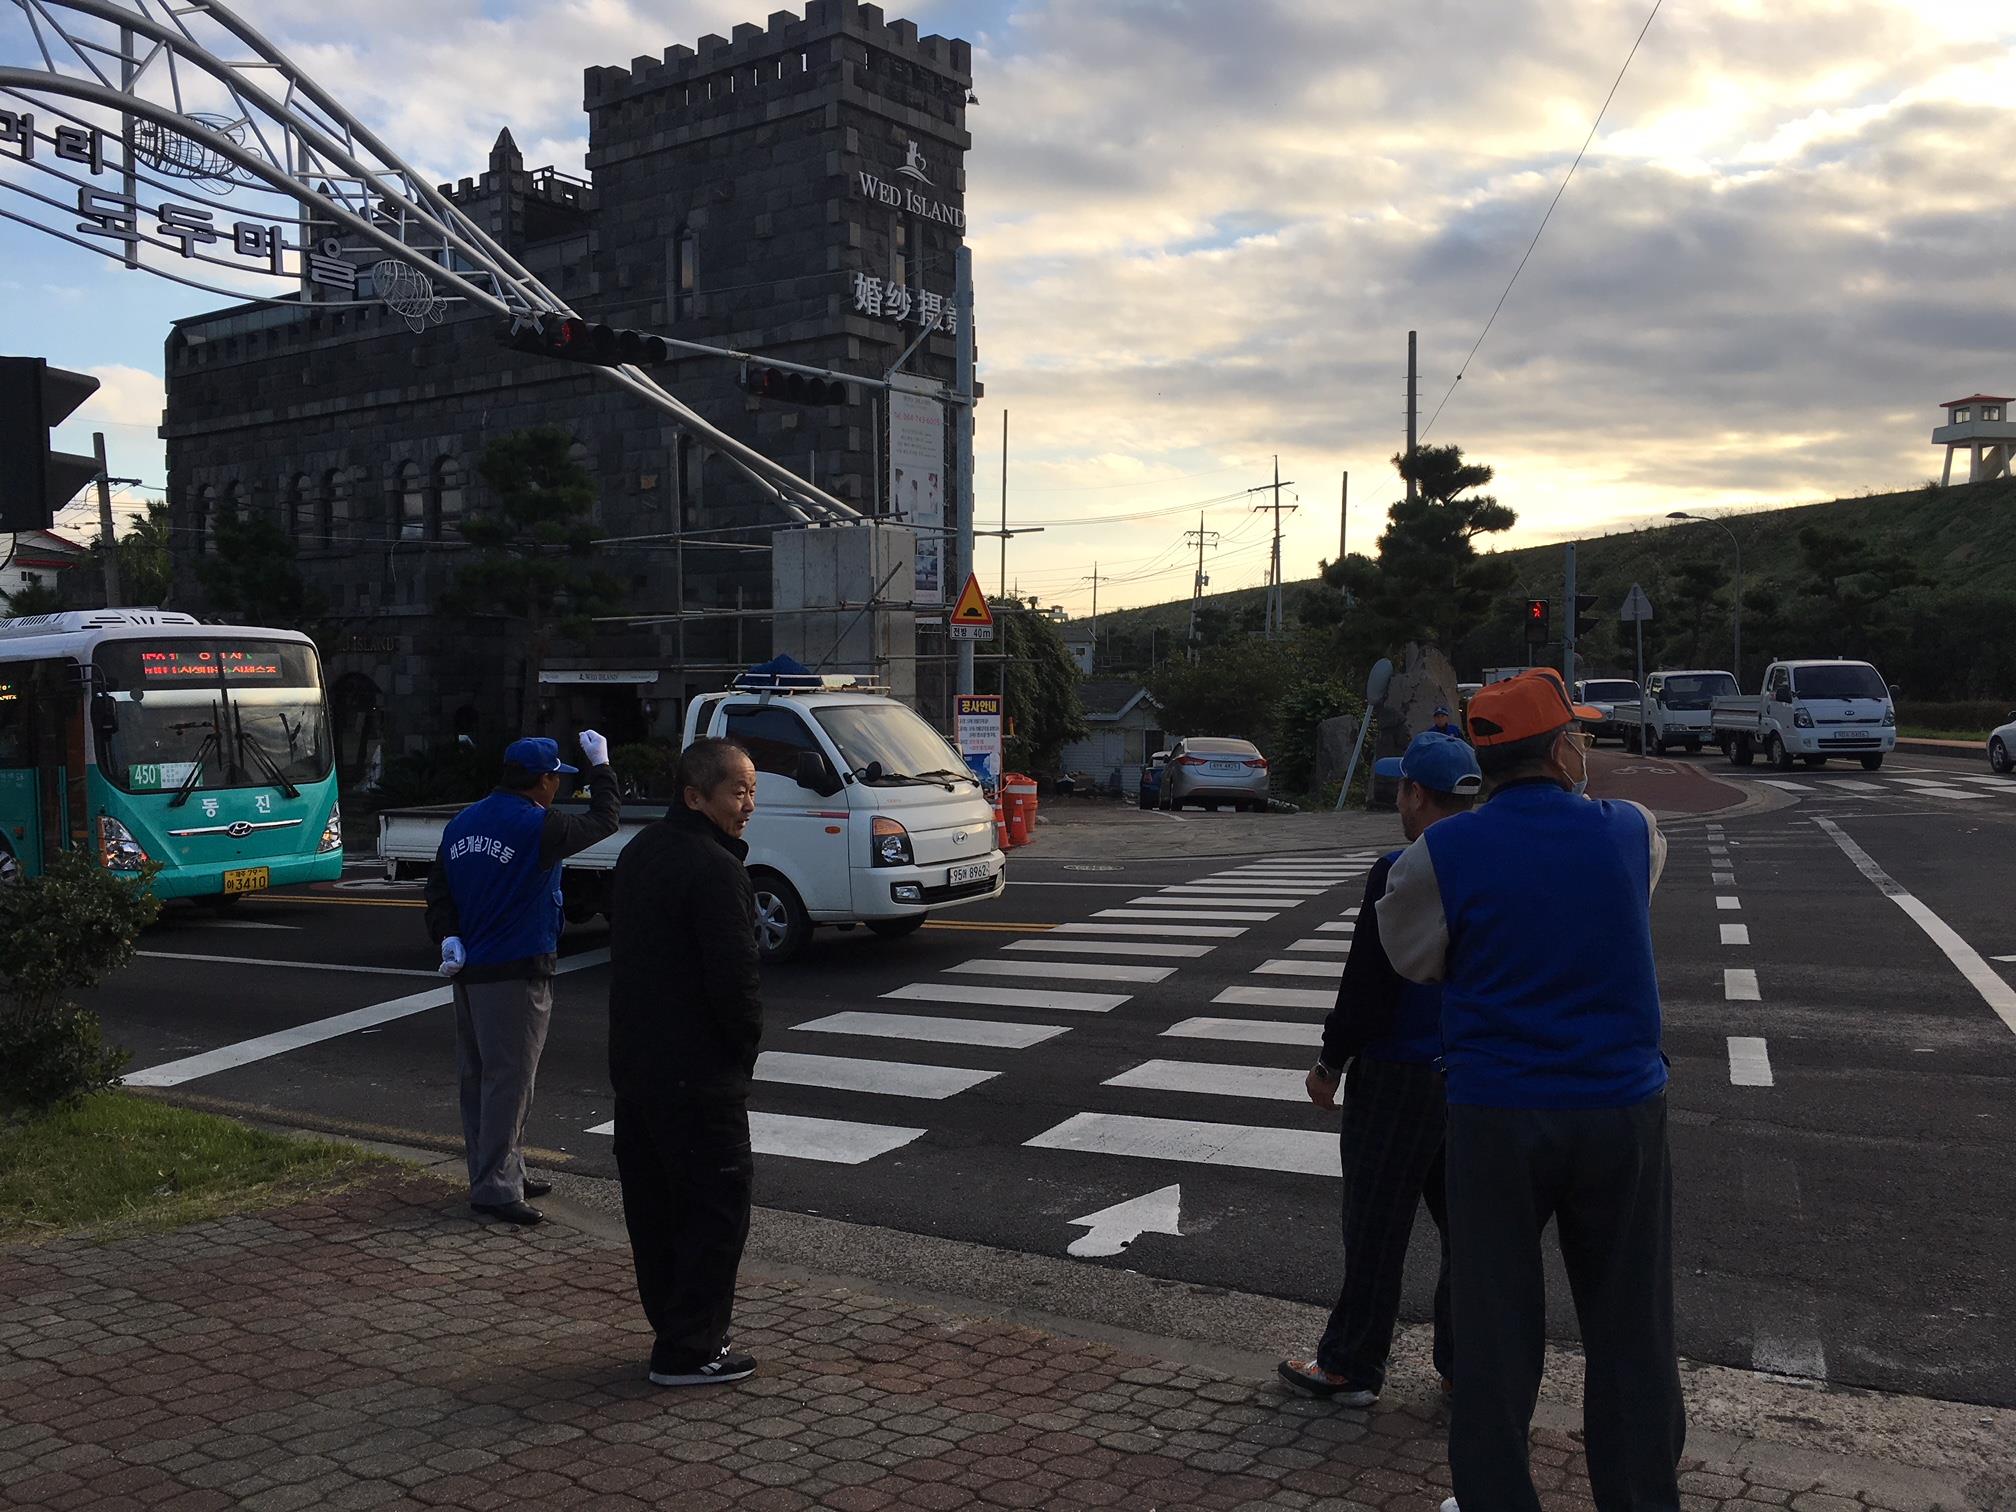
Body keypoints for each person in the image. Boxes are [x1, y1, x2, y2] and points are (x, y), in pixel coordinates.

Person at [1376, 668, 1683, 1512]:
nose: (1585, 747)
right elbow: (1629, 906)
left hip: (1497, 1112)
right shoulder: (1632, 830)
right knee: (1632, 1332)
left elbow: (1415, 959)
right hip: (1622, 1107)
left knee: (1494, 1332)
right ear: (1561, 752)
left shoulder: (1440, 853)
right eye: (1578, 737)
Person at [1280, 731, 1480, 1407]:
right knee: (1471, 1232)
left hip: (1398, 1072)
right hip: (1475, 1076)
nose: (1398, 799)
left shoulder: (1402, 866)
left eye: (1400, 788)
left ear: (1416, 795)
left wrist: (1329, 1062)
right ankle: (1464, 1364)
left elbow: (1369, 982)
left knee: (1375, 1227)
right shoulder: (1498, 863)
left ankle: (1351, 1364)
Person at [606, 738, 763, 1387]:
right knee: (713, 1212)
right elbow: (735, 985)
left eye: (753, 790)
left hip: (638, 1069)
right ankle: (691, 1347)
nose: (748, 804)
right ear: (694, 796)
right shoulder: (715, 869)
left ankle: (677, 1330)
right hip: (698, 1077)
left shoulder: (638, 853)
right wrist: (741, 1053)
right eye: (736, 792)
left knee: (657, 1212)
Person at [426, 732, 618, 1226]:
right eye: (558, 778)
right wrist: (601, 767)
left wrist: (447, 935)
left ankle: (500, 1170)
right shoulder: (540, 824)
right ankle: (494, 1188)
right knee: (510, 1082)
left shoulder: (464, 821)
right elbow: (604, 821)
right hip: (517, 970)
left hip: (468, 969)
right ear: (543, 780)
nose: (559, 788)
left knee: (481, 1079)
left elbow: (439, 890)